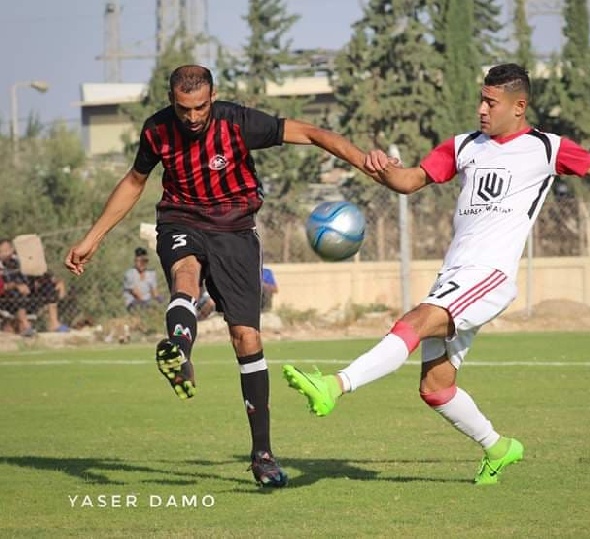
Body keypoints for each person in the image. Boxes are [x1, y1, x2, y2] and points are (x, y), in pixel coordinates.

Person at [282, 63, 590, 486]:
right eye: (480, 99)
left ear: (519, 106)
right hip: (454, 275)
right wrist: (379, 165)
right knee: (436, 387)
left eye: (490, 101)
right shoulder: (463, 146)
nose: (481, 109)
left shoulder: (547, 148)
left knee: (415, 321)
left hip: (490, 275)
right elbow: (408, 182)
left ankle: (335, 385)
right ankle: (499, 447)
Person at [64, 65, 377, 488]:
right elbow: (135, 181)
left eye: (200, 107)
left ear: (213, 98)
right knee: (185, 275)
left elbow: (312, 133)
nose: (192, 117)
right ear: (171, 100)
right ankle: (178, 349)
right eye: (183, 108)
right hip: (180, 219)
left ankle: (262, 455)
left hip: (235, 230)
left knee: (246, 337)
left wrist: (364, 161)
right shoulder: (157, 130)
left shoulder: (238, 122)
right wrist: (92, 238)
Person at [123, 247, 163, 311]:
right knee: (146, 307)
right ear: (135, 261)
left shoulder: (151, 273)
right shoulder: (130, 274)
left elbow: (155, 292)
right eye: (140, 261)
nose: (142, 264)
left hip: (148, 302)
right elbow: (136, 293)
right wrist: (150, 304)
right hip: (134, 302)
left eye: (145, 261)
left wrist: (160, 301)